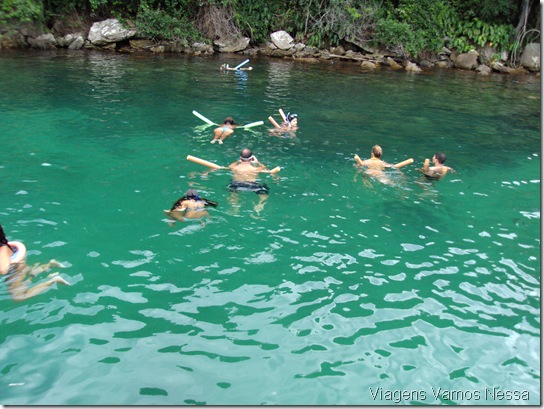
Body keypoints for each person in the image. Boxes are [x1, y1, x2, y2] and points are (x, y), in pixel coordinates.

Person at [0, 224, 69, 302]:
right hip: (14, 258)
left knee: (19, 297)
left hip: (13, 267)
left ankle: (54, 280)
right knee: (27, 275)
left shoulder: (2, 249)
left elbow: (3, 270)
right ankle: (50, 265)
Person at [227, 148, 280, 214]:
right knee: (264, 195)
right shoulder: (256, 169)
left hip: (237, 184)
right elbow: (267, 170)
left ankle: (235, 206)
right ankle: (260, 205)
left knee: (233, 194)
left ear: (240, 158)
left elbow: (229, 166)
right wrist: (258, 162)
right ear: (251, 159)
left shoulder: (233, 167)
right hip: (252, 185)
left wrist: (238, 161)